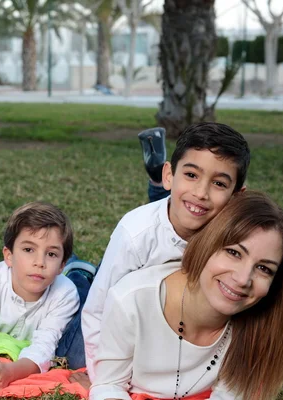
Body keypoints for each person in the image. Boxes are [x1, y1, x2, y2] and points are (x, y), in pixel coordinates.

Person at [80, 122, 251, 385]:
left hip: (166, 315)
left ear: (237, 196)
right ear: (170, 174)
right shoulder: (135, 234)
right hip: (117, 303)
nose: (201, 193)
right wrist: (103, 380)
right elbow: (97, 311)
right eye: (191, 175)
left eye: (218, 183)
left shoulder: (233, 240)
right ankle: (78, 273)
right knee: (75, 344)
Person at [90, 190, 283, 400]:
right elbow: (109, 385)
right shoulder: (131, 300)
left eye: (264, 269)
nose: (243, 279)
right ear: (207, 245)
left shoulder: (262, 324)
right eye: (234, 253)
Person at [0, 202, 80, 388]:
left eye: (51, 254)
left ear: (61, 265)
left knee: (82, 289)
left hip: (70, 285)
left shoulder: (65, 293)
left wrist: (11, 372)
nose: (39, 262)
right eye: (28, 250)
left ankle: (80, 271)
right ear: (8, 256)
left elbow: (45, 347)